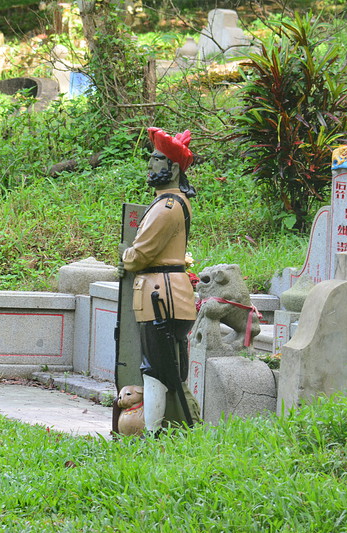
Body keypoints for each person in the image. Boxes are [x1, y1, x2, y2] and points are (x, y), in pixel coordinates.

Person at [120, 127, 197, 433]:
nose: (151, 166)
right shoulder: (167, 203)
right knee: (162, 370)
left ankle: (153, 433)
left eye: (157, 160)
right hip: (162, 294)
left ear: (174, 167)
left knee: (156, 371)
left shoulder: (167, 208)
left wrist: (125, 255)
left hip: (160, 297)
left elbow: (139, 255)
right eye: (151, 160)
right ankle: (167, 427)